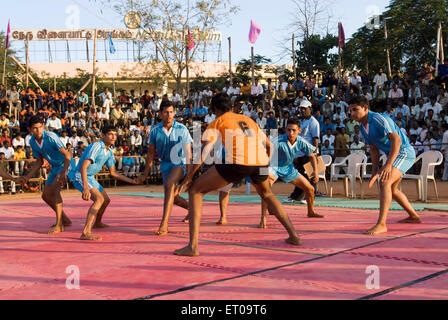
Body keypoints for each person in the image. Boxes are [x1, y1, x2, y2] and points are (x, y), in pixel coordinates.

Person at [174, 93, 301, 257]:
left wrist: (189, 178)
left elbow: (203, 153)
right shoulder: (249, 121)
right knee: (267, 194)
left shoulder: (217, 122)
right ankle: (294, 236)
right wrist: (264, 165)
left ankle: (192, 246)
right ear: (231, 106)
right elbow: (270, 146)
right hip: (260, 162)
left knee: (195, 191)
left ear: (215, 109)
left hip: (237, 163)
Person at [348, 96, 421, 235]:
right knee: (392, 189)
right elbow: (374, 149)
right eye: (350, 110)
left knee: (385, 181)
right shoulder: (362, 128)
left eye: (355, 110)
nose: (352, 113)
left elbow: (397, 140)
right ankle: (413, 216)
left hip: (403, 151)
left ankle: (382, 224)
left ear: (365, 108)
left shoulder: (379, 119)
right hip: (393, 155)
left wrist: (388, 165)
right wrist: (374, 171)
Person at [68, 126, 139, 241]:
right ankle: (86, 232)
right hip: (80, 176)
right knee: (99, 199)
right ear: (103, 135)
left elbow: (113, 173)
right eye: (110, 134)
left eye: (115, 135)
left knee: (106, 200)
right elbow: (83, 166)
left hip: (90, 177)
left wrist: (132, 181)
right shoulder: (97, 146)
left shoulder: (109, 152)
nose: (113, 137)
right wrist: (86, 188)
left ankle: (98, 223)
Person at [137, 100, 192, 236]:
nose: (169, 115)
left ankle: (164, 224)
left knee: (169, 185)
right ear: (160, 114)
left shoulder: (182, 129)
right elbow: (150, 155)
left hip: (179, 163)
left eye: (171, 112)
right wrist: (145, 174)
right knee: (172, 195)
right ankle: (192, 209)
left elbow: (189, 154)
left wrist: (189, 177)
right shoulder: (155, 131)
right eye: (166, 112)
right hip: (165, 165)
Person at [260, 119, 323, 228]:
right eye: (288, 130)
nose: (291, 133)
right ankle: (263, 218)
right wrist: (263, 172)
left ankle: (311, 211)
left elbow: (312, 156)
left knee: (310, 189)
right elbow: (264, 155)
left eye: (294, 130)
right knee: (266, 189)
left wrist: (316, 173)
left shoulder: (301, 141)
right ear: (285, 130)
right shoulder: (277, 141)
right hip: (274, 167)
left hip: (289, 169)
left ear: (299, 130)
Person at [16, 116, 75, 234]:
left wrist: (64, 172)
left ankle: (59, 224)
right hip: (54, 167)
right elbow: (39, 161)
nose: (38, 130)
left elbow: (68, 155)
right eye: (35, 128)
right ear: (29, 129)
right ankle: (64, 219)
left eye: (40, 127)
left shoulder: (51, 137)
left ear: (43, 126)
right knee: (46, 196)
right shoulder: (32, 141)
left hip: (65, 164)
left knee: (54, 190)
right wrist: (28, 176)